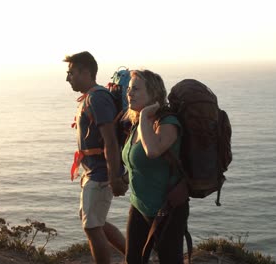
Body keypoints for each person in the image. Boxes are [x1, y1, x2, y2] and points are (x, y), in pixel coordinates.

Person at [64, 51, 128, 264]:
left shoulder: (98, 98)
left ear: (86, 72)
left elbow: (110, 140)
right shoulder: (90, 97)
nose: (68, 78)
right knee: (95, 222)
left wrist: (114, 177)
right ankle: (135, 256)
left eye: (71, 73)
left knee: (91, 226)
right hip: (93, 171)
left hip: (101, 174)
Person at [121, 70, 190, 263]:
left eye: (135, 89)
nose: (129, 93)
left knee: (169, 260)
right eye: (128, 89)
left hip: (166, 210)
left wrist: (143, 115)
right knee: (133, 259)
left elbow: (152, 151)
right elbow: (137, 162)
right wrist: (123, 178)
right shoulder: (137, 125)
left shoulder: (168, 123)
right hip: (139, 205)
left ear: (153, 94)